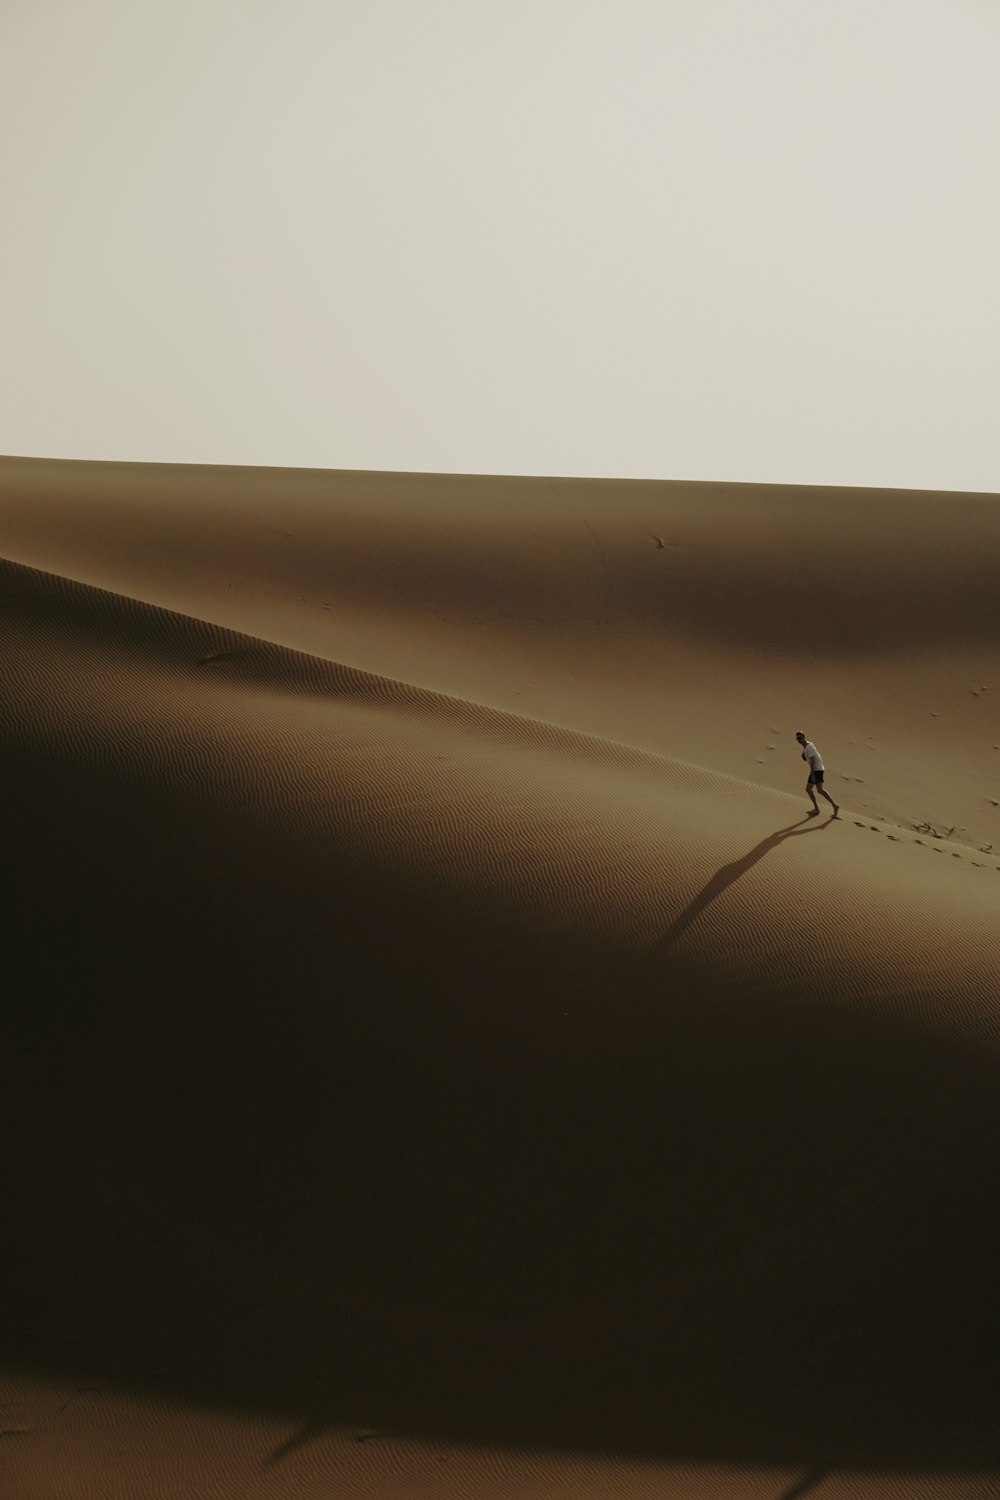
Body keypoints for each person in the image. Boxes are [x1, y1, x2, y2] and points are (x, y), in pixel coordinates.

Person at [795, 730, 839, 817]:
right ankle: (833, 806)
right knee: (819, 790)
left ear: (804, 737)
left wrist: (812, 774)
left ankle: (819, 808)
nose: (799, 740)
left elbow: (813, 760)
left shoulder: (808, 747)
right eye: (797, 739)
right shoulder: (807, 746)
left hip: (816, 770)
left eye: (800, 738)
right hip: (817, 769)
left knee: (810, 789)